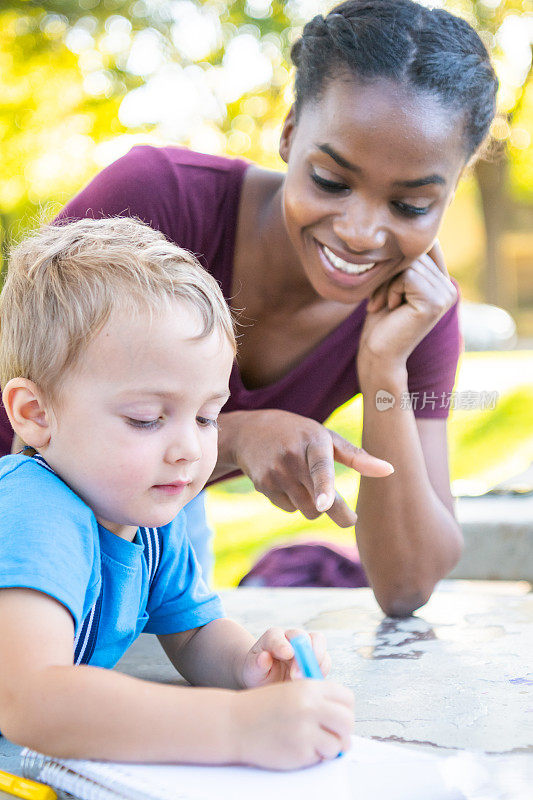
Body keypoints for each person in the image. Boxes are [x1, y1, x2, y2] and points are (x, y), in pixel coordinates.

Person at [0, 0, 499, 616]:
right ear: (289, 133)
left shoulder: (418, 312)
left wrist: (384, 372)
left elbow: (405, 586)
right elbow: (16, 437)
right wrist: (231, 439)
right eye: (332, 181)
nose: (362, 231)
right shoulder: (156, 203)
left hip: (157, 530)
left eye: (412, 206)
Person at [0, 217, 354, 768]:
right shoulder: (32, 511)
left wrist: (248, 666)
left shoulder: (147, 521)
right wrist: (238, 729)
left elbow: (192, 633)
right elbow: (30, 703)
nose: (189, 448)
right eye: (146, 419)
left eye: (208, 416)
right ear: (36, 414)